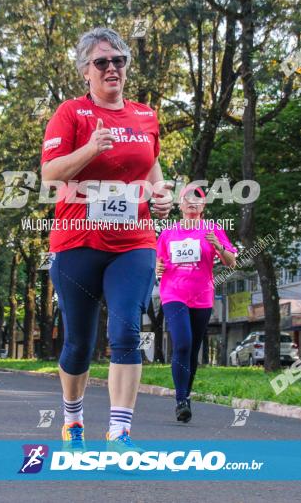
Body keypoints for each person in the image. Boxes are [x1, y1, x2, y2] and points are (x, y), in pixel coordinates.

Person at [41, 27, 173, 452]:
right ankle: (73, 419)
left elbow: (151, 165)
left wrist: (161, 192)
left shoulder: (145, 116)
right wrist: (90, 149)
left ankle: (119, 432)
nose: (112, 68)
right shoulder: (71, 114)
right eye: (102, 62)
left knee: (126, 332)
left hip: (133, 241)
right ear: (85, 70)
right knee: (78, 343)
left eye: (118, 61)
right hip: (77, 241)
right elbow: (50, 174)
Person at [156, 186, 237, 422]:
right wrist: (158, 268)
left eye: (197, 200)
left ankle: (186, 395)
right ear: (180, 206)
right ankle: (181, 400)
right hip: (173, 294)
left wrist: (218, 246)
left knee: (192, 350)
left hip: (202, 297)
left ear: (203, 207)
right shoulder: (168, 233)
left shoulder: (213, 230)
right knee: (182, 343)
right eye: (188, 200)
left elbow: (231, 262)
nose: (192, 203)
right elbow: (158, 262)